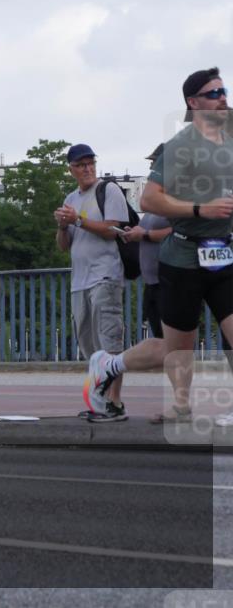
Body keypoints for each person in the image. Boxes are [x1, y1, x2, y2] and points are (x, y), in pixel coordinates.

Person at [85, 67, 233, 423]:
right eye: (214, 94)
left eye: (224, 90)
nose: (223, 98)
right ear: (193, 102)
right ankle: (111, 366)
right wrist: (200, 209)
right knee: (175, 350)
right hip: (183, 258)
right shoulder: (180, 148)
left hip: (223, 254)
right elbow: (150, 200)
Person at [54, 143, 128, 421]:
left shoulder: (108, 190)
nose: (87, 169)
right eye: (81, 165)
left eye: (90, 163)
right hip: (80, 281)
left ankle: (115, 402)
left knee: (110, 340)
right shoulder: (71, 197)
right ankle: (100, 400)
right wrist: (63, 225)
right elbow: (64, 245)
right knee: (89, 344)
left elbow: (114, 230)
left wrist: (79, 220)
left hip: (105, 275)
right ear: (71, 169)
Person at [120, 144, 173, 340]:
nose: (151, 168)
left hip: (169, 281)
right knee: (161, 341)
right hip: (152, 282)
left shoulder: (177, 197)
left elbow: (180, 232)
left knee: (171, 343)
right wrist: (134, 231)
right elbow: (150, 228)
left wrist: (144, 235)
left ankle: (114, 365)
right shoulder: (155, 199)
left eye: (155, 162)